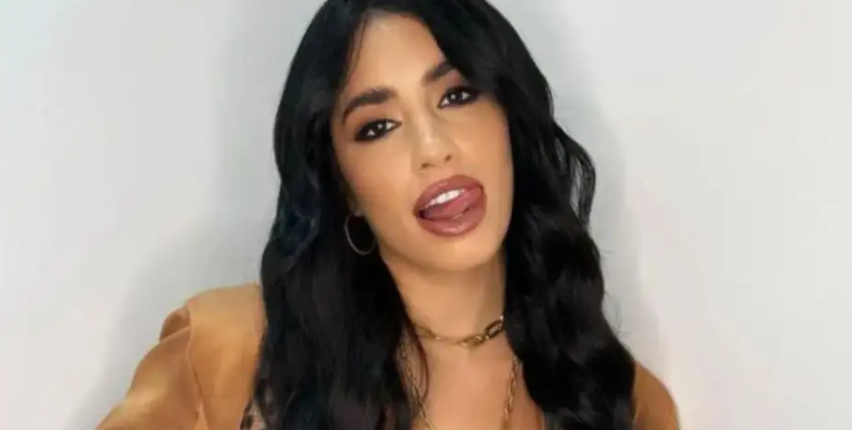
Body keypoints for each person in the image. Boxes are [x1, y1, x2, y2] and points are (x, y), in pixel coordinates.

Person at [95, 1, 677, 429]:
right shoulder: (227, 352)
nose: (432, 147)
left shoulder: (616, 397)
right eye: (377, 127)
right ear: (343, 187)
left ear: (510, 120)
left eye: (456, 95)